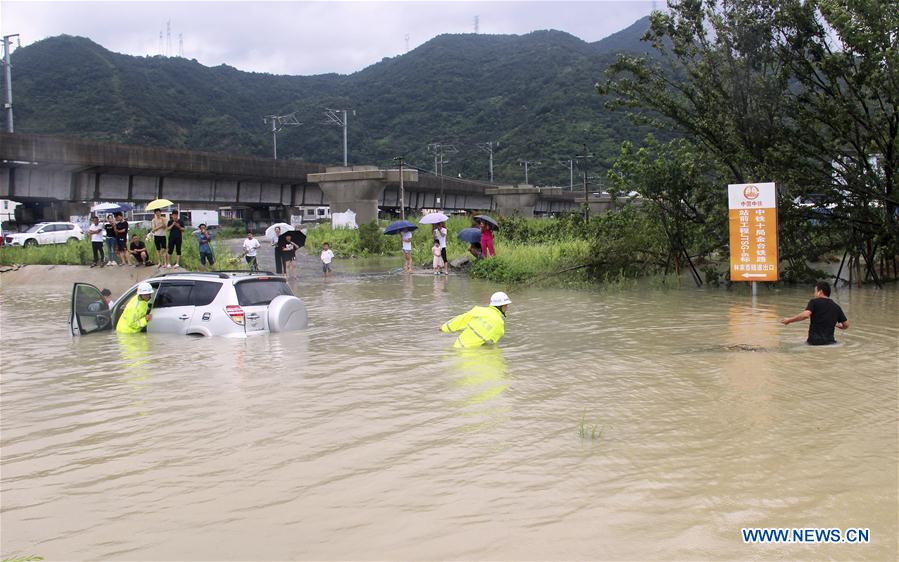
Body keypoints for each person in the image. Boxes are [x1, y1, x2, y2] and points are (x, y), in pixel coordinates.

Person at [781, 281, 849, 345]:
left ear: (820, 292)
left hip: (814, 343)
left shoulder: (814, 302)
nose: (814, 294)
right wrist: (839, 326)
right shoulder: (836, 307)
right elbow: (846, 325)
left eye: (815, 291)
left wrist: (789, 320)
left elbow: (805, 315)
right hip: (830, 343)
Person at [439, 291, 512, 348]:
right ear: (503, 306)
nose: (507, 308)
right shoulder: (499, 324)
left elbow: (459, 320)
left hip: (457, 345)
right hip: (472, 353)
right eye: (506, 305)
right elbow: (490, 344)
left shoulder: (478, 310)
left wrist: (443, 328)